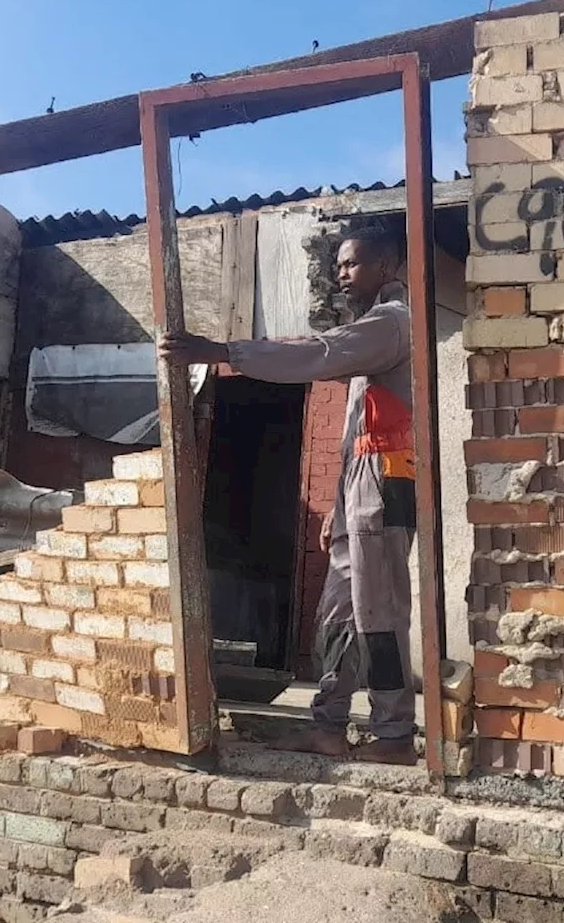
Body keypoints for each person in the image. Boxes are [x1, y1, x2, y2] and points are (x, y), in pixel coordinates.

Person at [158, 226, 417, 765]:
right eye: (340, 265)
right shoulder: (374, 327)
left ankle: (394, 734)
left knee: (380, 612)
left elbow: (320, 355)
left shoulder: (391, 324)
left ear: (387, 267)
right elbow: (357, 430)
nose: (341, 274)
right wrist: (340, 503)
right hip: (362, 484)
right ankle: (328, 724)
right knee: (337, 613)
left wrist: (224, 351)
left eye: (353, 264)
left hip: (386, 482)